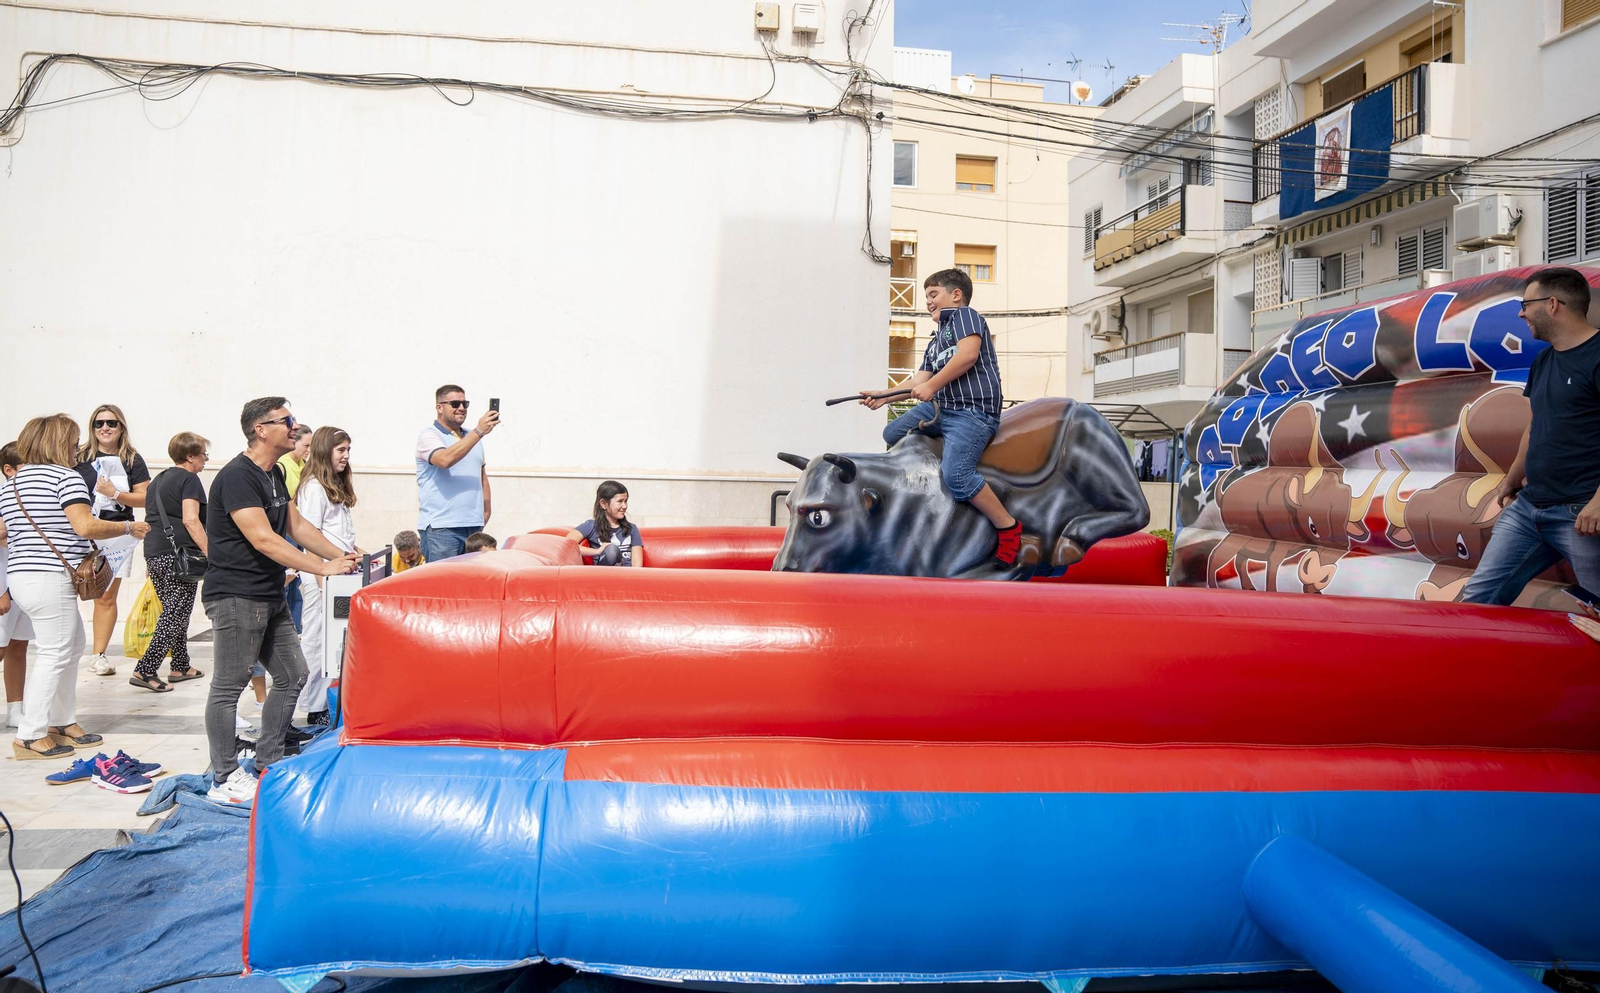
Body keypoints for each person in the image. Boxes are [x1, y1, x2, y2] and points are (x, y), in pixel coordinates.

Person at [202, 398, 359, 806]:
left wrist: (336, 557)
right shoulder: (238, 476)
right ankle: (224, 777)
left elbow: (297, 526)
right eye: (286, 421)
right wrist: (321, 569)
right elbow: (263, 538)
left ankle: (268, 758)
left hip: (268, 594)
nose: (294, 427)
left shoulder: (272, 475)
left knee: (294, 674)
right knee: (229, 685)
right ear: (260, 429)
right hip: (236, 594)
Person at [0, 415, 150, 759]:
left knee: (70, 646)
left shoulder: (12, 482)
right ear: (56, 443)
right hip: (50, 577)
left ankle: (62, 722)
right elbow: (84, 526)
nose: (77, 449)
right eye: (72, 442)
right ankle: (30, 735)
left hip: (22, 576)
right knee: (55, 652)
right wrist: (129, 528)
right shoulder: (64, 478)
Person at [858, 268, 1022, 566]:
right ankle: (926, 494)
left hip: (972, 412)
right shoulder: (935, 341)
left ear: (955, 295)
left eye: (933, 294)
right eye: (926, 297)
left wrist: (932, 386)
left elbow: (967, 356)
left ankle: (1008, 527)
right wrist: (884, 396)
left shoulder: (966, 317)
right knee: (892, 434)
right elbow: (917, 381)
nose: (928, 302)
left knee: (957, 475)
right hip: (941, 410)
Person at [1462, 267, 1600, 613]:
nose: (1522, 313)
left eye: (1526, 304)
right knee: (1477, 602)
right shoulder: (1544, 361)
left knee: (1597, 613)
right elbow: (1535, 426)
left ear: (1553, 304)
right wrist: (1510, 479)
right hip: (1529, 509)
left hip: (1582, 513)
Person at [130, 432, 211, 692]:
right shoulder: (190, 479)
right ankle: (146, 669)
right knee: (175, 613)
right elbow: (190, 519)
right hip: (178, 555)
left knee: (175, 611)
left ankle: (180, 665)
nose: (205, 460)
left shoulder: (158, 480)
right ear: (190, 456)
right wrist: (211, 551)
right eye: (202, 454)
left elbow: (152, 516)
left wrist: (151, 559)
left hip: (155, 551)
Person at [76, 403, 151, 676]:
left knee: (106, 595)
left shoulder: (132, 459)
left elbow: (145, 496)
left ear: (121, 427)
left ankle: (99, 654)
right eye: (99, 423)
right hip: (81, 528)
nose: (105, 428)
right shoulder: (79, 457)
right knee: (69, 589)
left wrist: (116, 494)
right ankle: (69, 647)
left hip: (118, 532)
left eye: (111, 423)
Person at [295, 427, 362, 726]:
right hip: (321, 577)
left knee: (334, 641)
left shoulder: (332, 485)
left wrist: (354, 551)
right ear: (325, 451)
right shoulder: (312, 488)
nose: (346, 457)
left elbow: (336, 533)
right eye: (340, 451)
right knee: (317, 640)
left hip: (338, 573)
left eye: (348, 450)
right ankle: (313, 705)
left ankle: (328, 700)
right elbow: (309, 535)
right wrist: (321, 581)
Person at [415, 384, 498, 562]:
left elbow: (482, 476)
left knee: (470, 586)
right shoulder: (429, 436)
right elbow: (444, 460)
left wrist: (485, 512)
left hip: (473, 527)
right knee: (442, 587)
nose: (461, 408)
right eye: (454, 404)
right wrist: (478, 432)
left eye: (464, 404)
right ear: (439, 407)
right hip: (442, 529)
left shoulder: (472, 437)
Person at [0, 443, 32, 729]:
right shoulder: (4, 496)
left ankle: (15, 709)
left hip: (25, 581)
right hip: (4, 584)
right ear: (9, 469)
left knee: (18, 646)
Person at [567, 481, 644, 567]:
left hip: (626, 576)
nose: (625, 506)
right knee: (611, 550)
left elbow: (637, 565)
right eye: (620, 501)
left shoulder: (632, 528)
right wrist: (597, 551)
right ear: (603, 504)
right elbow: (566, 545)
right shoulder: (591, 526)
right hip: (603, 576)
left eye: (626, 501)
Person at [277, 425, 313, 499]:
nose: (309, 450)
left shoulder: (305, 464)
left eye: (311, 446)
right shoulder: (281, 466)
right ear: (293, 442)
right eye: (306, 446)